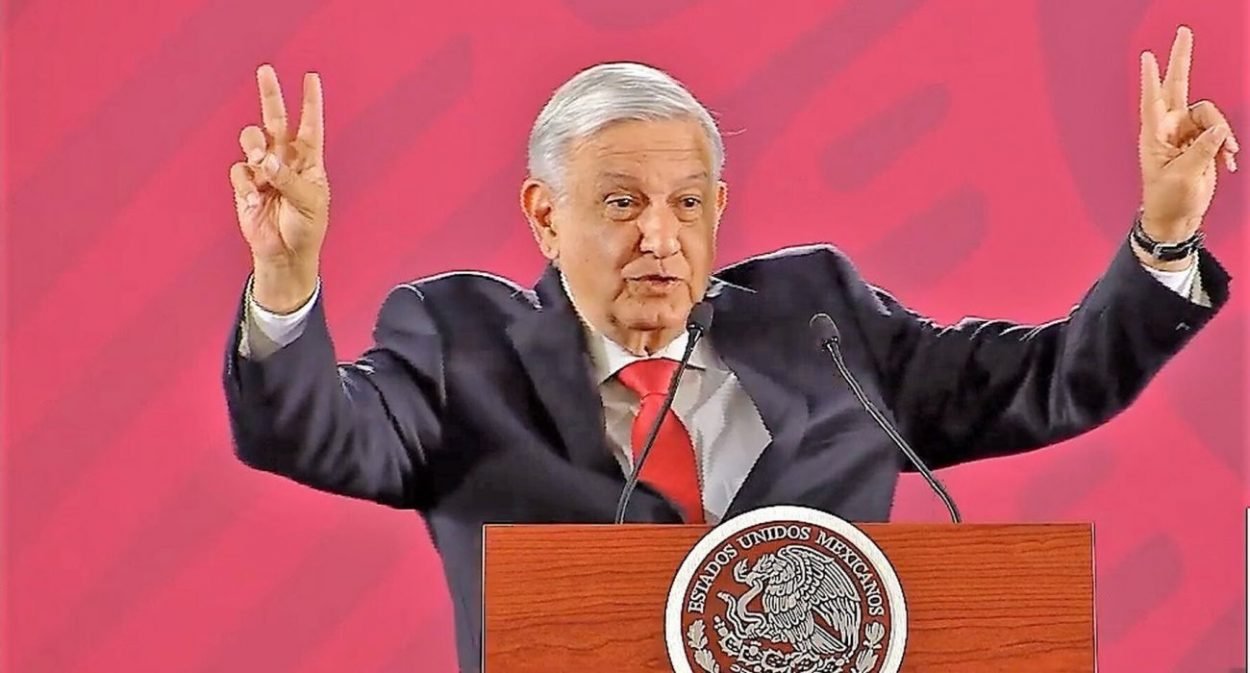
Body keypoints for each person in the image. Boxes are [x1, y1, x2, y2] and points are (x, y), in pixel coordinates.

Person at [223, 26, 1236, 672]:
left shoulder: (821, 323)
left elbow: (1053, 381)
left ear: (718, 209)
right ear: (544, 215)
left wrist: (1163, 236)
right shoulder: (457, 343)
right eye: (621, 203)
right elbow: (317, 435)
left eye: (686, 204)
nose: (659, 237)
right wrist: (285, 278)